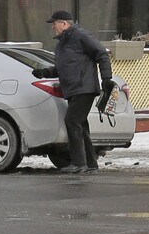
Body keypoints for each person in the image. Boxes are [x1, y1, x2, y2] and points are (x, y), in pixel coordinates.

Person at [44, 10, 110, 175]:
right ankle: (90, 163)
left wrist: (106, 78)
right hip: (73, 89)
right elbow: (64, 68)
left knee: (72, 121)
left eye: (55, 23)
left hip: (84, 87)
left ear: (65, 23)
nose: (53, 27)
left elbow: (102, 53)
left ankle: (79, 163)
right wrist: (45, 72)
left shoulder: (80, 36)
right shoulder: (62, 44)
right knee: (80, 125)